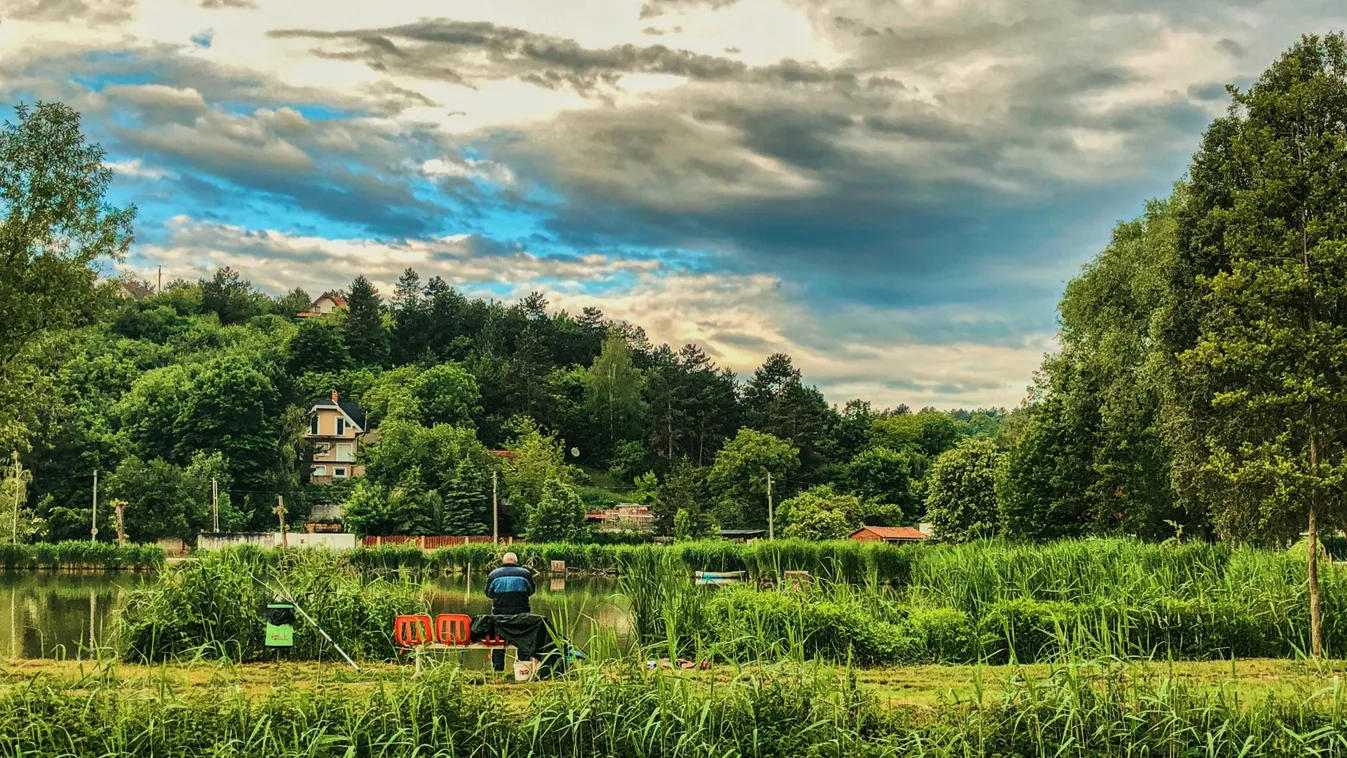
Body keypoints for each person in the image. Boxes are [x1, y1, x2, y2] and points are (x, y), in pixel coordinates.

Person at [484, 552, 535, 672]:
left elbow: (489, 593)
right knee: (523, 639)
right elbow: (531, 591)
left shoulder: (494, 574)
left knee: (499, 641)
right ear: (516, 562)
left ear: (503, 561)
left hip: (499, 616)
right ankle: (523, 667)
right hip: (521, 615)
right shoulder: (525, 573)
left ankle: (498, 669)